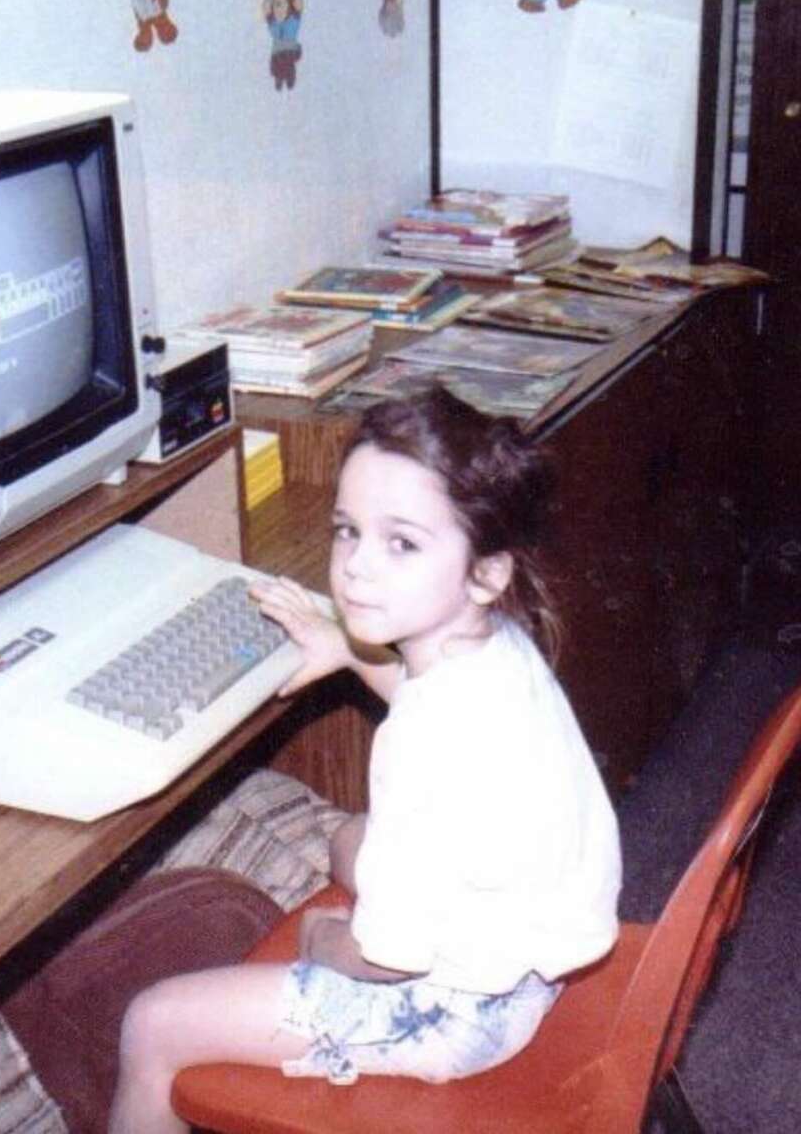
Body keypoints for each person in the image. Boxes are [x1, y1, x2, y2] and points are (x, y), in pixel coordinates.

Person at [108, 386, 621, 1134]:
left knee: (152, 1023)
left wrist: (321, 941)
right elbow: (421, 691)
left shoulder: (424, 746)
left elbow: (388, 959)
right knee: (348, 836)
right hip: (531, 945)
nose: (355, 570)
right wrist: (347, 653)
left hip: (454, 1015)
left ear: (487, 570)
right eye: (348, 531)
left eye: (401, 543)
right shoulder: (495, 642)